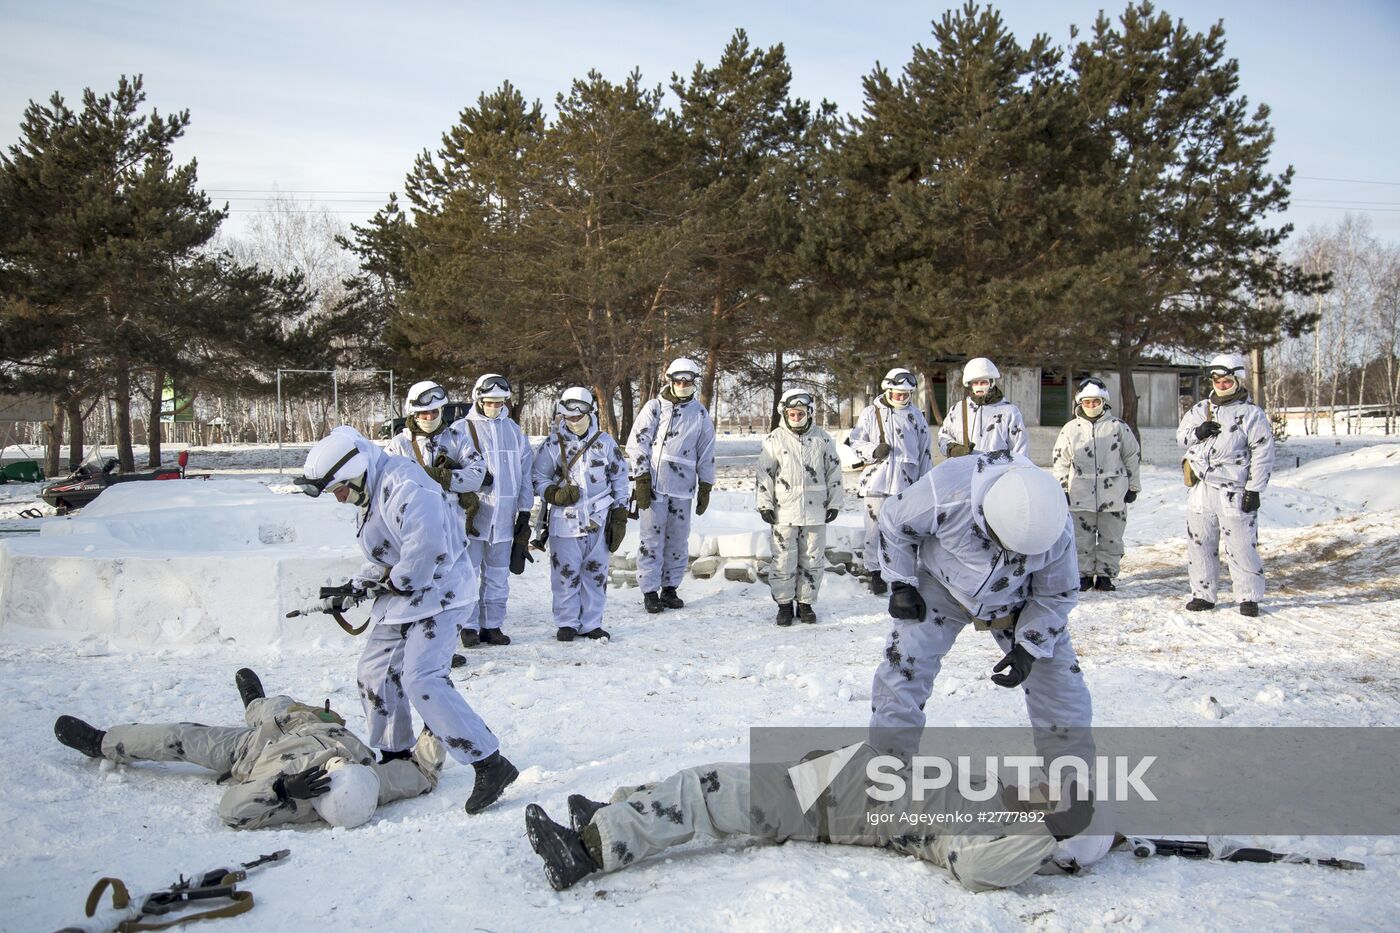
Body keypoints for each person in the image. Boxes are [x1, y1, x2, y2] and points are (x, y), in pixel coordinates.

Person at [521, 742, 1109, 892]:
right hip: (821, 783)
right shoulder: (993, 796)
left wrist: (1048, 832)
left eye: (1053, 800)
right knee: (709, 778)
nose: (1042, 787)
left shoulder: (983, 837)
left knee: (708, 790)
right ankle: (615, 813)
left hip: (821, 809)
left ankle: (589, 851)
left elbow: (979, 869)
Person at [295, 426, 517, 814]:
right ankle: (395, 754)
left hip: (441, 595)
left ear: (354, 472)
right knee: (374, 672)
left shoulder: (408, 486)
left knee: (422, 678)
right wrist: (357, 584)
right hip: (404, 599)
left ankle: (490, 762)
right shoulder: (372, 487)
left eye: (339, 489)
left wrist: (385, 583)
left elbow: (425, 550)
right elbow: (387, 552)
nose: (340, 497)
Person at [870, 450, 1094, 769]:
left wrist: (1031, 645)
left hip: (1017, 594)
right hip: (941, 583)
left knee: (1059, 681)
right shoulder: (948, 490)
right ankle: (887, 766)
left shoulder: (1057, 526)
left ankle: (1069, 780)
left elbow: (1057, 593)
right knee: (904, 664)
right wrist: (901, 582)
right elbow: (894, 518)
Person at [52, 669, 445, 830]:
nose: (341, 761)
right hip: (303, 721)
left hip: (251, 751)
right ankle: (255, 704)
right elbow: (423, 771)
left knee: (180, 736)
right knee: (276, 705)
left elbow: (232, 811)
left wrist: (280, 790)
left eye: (338, 769)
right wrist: (437, 726)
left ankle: (102, 742)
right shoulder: (375, 784)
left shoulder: (298, 801)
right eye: (350, 765)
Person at [1176, 353, 1275, 617]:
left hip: (1234, 488)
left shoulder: (1252, 415)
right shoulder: (1200, 410)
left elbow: (1262, 452)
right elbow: (1181, 437)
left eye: (1226, 380)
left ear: (1237, 380)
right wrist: (1197, 433)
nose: (1221, 384)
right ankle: (1203, 594)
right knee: (1200, 543)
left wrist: (1255, 489)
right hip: (1201, 487)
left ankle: (1248, 596)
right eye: (1217, 380)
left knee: (1242, 546)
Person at [532, 387, 630, 642]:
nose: (574, 422)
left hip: (599, 519)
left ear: (590, 412)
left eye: (579, 416)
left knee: (596, 574)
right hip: (564, 522)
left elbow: (620, 478)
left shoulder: (605, 443)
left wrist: (620, 513)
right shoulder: (553, 445)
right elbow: (537, 477)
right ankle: (567, 623)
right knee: (564, 574)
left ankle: (592, 623)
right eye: (569, 417)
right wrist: (553, 493)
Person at [446, 373, 535, 652]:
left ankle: (492, 625)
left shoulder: (514, 431)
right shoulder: (461, 428)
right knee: (468, 574)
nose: (494, 407)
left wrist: (524, 512)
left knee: (498, 575)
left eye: (499, 402)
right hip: (472, 517)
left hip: (505, 519)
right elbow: (446, 467)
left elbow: (526, 474)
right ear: (478, 399)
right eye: (489, 402)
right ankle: (468, 627)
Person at [625, 357, 717, 615]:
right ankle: (650, 590)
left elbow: (706, 451)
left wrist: (706, 484)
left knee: (677, 539)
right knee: (651, 538)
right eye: (679, 381)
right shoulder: (655, 407)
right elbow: (638, 443)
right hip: (654, 484)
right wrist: (641, 478)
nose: (683, 385)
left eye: (688, 381)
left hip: (683, 487)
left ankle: (670, 588)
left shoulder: (699, 414)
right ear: (670, 381)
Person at [756, 388, 844, 625]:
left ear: (809, 412)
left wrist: (835, 503)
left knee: (812, 559)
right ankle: (784, 605)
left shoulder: (822, 439)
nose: (796, 418)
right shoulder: (775, 439)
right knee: (783, 560)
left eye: (801, 413)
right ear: (784, 414)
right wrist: (765, 504)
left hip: (816, 512)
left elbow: (834, 472)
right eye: (792, 414)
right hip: (783, 513)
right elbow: (764, 474)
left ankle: (805, 604)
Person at [846, 367, 933, 596]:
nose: (902, 398)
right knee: (874, 531)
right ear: (888, 390)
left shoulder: (917, 417)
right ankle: (875, 572)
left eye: (906, 395)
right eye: (898, 394)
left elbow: (925, 453)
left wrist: (925, 485)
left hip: (907, 484)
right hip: (876, 483)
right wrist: (874, 450)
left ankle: (900, 574)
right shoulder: (870, 413)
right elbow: (854, 442)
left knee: (902, 532)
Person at [1051, 379, 1142, 592]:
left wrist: (1133, 486)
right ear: (1080, 403)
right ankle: (1082, 575)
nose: (1092, 406)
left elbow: (1131, 456)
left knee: (1111, 538)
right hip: (1080, 495)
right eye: (1087, 402)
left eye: (1096, 402)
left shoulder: (1118, 427)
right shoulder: (1070, 429)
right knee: (1082, 539)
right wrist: (1062, 489)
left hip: (1114, 494)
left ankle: (1105, 575)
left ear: (1104, 402)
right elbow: (1060, 461)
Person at [938, 358, 1028, 459]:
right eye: (975, 383)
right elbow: (943, 436)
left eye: (983, 383)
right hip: (965, 471)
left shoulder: (1009, 411)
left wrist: (1014, 472)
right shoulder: (957, 410)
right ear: (970, 386)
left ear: (991, 383)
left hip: (997, 471)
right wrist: (953, 449)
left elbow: (1020, 449)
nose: (979, 387)